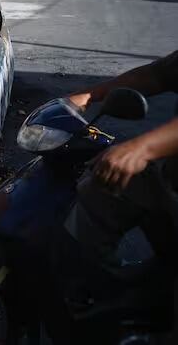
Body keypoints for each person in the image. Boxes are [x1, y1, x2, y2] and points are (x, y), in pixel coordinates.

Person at [64, 50, 178, 278]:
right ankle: (89, 287)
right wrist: (90, 95)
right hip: (170, 175)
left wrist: (142, 148)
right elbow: (158, 75)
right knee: (101, 183)